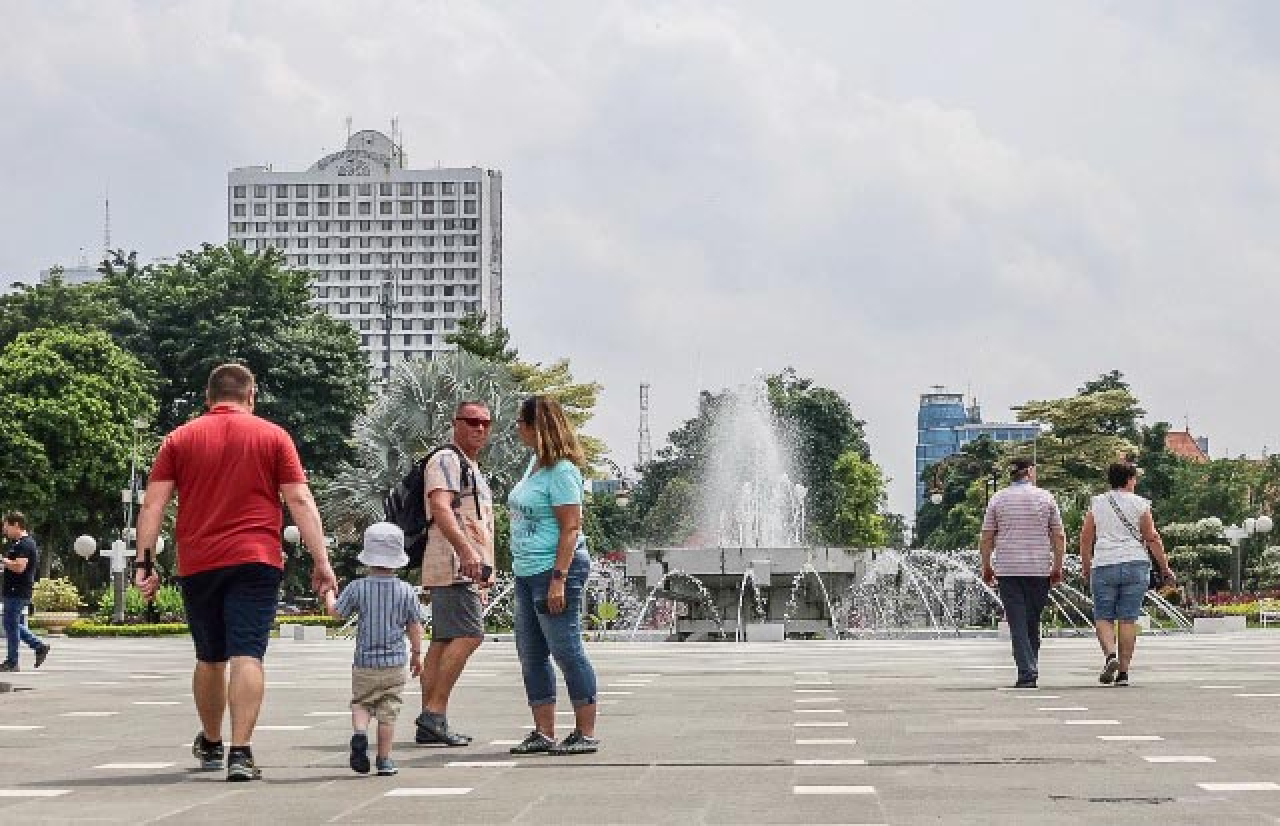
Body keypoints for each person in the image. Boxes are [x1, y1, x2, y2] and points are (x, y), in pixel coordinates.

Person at [134, 363, 338, 782]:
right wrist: (322, 563)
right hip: (256, 559)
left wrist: (145, 562)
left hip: (200, 561)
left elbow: (153, 505)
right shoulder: (274, 437)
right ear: (251, 395)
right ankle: (241, 753)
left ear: (208, 398)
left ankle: (211, 743)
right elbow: (299, 500)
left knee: (210, 657)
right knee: (248, 653)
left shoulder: (179, 438)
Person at [508, 395, 600, 756]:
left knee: (566, 650)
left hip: (555, 569)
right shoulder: (534, 464)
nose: (517, 428)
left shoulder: (562, 471)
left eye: (521, 422)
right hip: (526, 570)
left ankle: (585, 731)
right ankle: (543, 732)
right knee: (530, 654)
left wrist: (559, 579)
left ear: (537, 427)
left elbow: (571, 527)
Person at [414, 401, 496, 747]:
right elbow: (441, 508)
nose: (479, 428)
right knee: (470, 635)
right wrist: (467, 553)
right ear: (456, 423)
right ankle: (433, 713)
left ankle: (431, 720)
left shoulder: (468, 465)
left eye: (485, 423)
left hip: (459, 564)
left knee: (445, 640)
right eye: (472, 421)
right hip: (455, 563)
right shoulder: (447, 459)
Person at [323, 522, 423, 776]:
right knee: (388, 712)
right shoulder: (406, 591)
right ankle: (384, 760)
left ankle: (359, 733)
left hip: (364, 662)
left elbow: (336, 614)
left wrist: (328, 594)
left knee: (361, 704)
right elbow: (414, 626)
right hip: (395, 663)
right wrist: (417, 653)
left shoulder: (358, 588)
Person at [1080, 462, 1175, 687]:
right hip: (1135, 563)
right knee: (1128, 619)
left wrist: (1086, 566)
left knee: (1103, 617)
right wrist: (1164, 567)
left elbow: (1085, 538)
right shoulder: (1141, 504)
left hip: (1104, 564)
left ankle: (1110, 656)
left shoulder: (1098, 503)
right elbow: (1152, 537)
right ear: (1130, 480)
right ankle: (1123, 673)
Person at [981, 458, 1066, 689]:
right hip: (1039, 569)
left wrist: (986, 566)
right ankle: (1029, 668)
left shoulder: (997, 499)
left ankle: (1028, 670)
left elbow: (987, 536)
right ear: (1029, 472)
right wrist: (1057, 566)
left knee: (1018, 622)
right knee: (1031, 621)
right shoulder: (1046, 498)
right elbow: (1058, 536)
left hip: (1008, 570)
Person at [1, 512, 50, 672]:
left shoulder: (26, 544)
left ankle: (13, 661)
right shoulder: (18, 544)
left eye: (6, 526)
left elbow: (19, 567)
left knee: (11, 624)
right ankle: (39, 646)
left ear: (16, 525)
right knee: (12, 624)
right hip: (13, 590)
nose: (4, 530)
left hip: (18, 590)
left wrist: (4, 561)